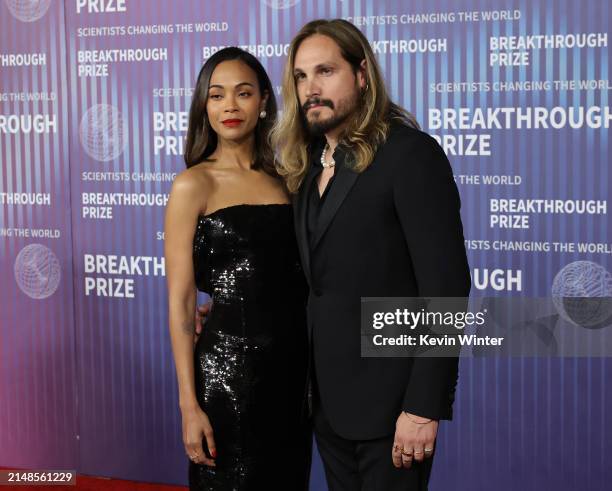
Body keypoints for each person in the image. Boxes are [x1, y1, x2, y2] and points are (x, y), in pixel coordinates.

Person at [269, 19, 472, 490]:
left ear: (362, 75)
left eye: (325, 71)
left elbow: (446, 288)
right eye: (300, 76)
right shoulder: (306, 165)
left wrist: (423, 405)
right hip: (327, 402)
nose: (310, 88)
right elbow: (316, 277)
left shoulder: (409, 155)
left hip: (393, 407)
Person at [164, 47, 310, 490]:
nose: (229, 106)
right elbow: (182, 302)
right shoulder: (193, 184)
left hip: (291, 376)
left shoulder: (290, 180)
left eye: (243, 93)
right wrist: (189, 406)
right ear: (203, 106)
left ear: (264, 101)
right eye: (216, 95)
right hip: (226, 377)